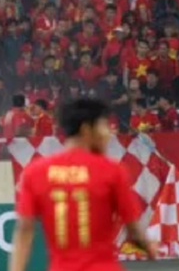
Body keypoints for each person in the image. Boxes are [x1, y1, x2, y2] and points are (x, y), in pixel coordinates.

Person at [9, 98, 158, 271]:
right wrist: (149, 247)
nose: (108, 133)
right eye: (104, 126)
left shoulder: (36, 173)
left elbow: (24, 230)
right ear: (87, 129)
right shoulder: (111, 170)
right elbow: (133, 230)